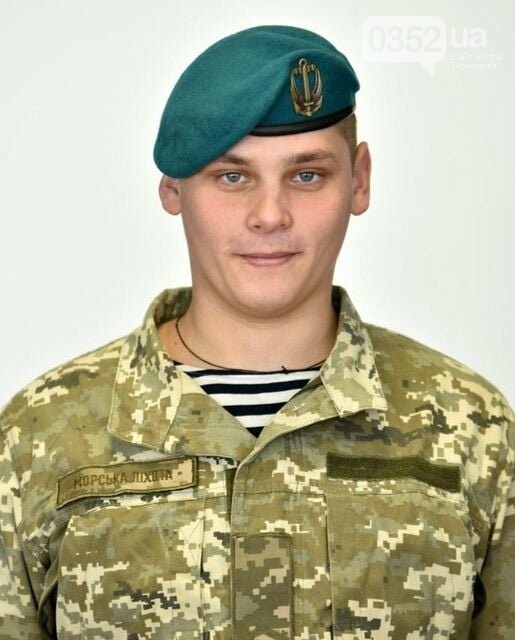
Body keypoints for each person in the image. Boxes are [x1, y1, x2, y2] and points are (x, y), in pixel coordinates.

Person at [0, 24, 513, 640]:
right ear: (173, 189)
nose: (270, 215)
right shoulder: (39, 437)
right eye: (233, 176)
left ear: (359, 181)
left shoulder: (472, 429)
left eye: (307, 175)